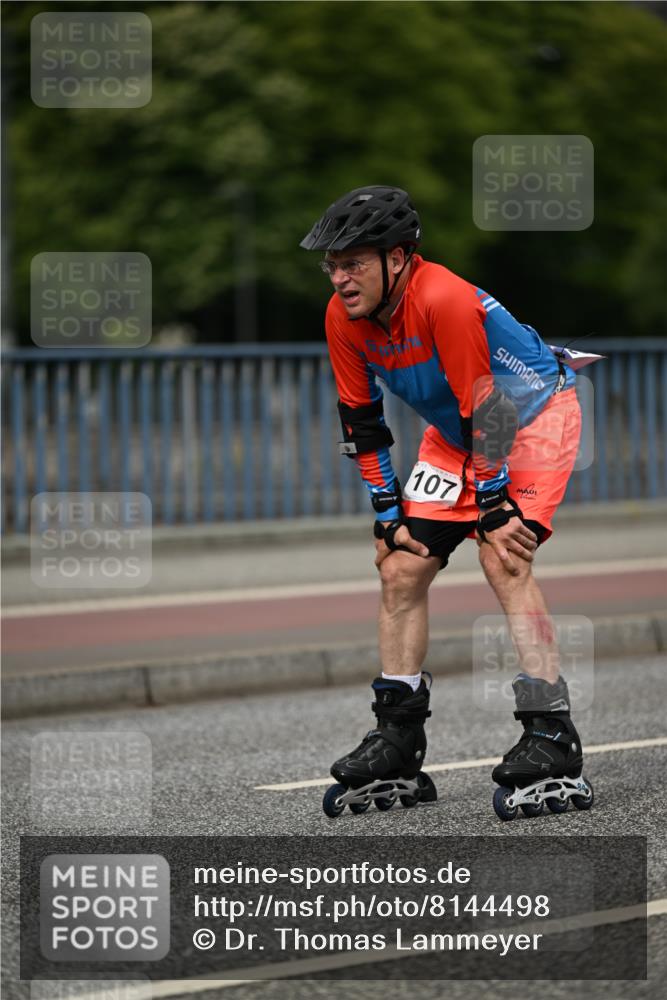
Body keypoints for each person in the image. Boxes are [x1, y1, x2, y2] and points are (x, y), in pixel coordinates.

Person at [301, 185, 593, 820]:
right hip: (461, 428)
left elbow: (489, 405)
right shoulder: (341, 317)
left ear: (398, 258)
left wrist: (492, 504)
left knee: (504, 555)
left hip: (534, 414)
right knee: (400, 563)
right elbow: (363, 422)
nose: (340, 277)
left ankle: (551, 734)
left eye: (354, 262)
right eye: (333, 264)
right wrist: (385, 510)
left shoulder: (446, 299)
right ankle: (398, 738)